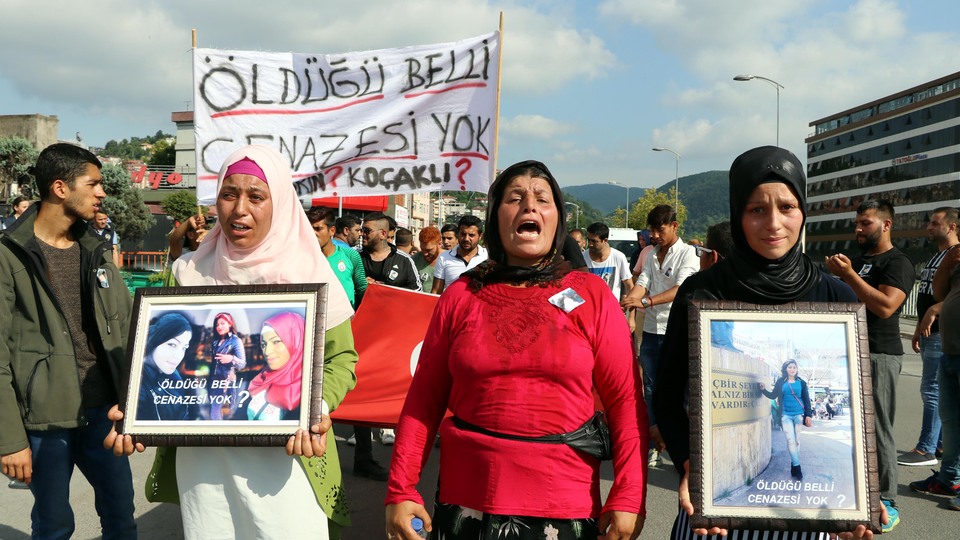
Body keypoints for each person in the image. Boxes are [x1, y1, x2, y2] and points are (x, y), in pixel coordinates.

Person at [106, 145, 359, 539]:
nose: (240, 209)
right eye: (228, 194)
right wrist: (137, 407)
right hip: (203, 461)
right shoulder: (187, 272)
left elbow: (341, 360)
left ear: (280, 203)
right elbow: (159, 353)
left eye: (256, 197)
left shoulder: (311, 274)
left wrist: (315, 406)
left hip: (286, 460)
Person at [385, 160, 647, 540]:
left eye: (542, 199)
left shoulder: (593, 297)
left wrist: (629, 494)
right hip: (466, 505)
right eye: (515, 198)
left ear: (557, 219)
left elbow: (625, 401)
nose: (529, 206)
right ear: (496, 218)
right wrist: (401, 488)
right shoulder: (461, 296)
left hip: (564, 507)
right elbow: (424, 399)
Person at [654, 146, 884, 539]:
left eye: (787, 207)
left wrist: (859, 491)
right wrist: (692, 465)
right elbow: (667, 394)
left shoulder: (835, 297)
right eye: (757, 209)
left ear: (803, 211)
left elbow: (862, 407)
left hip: (806, 517)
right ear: (737, 214)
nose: (774, 223)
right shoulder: (702, 291)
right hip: (717, 513)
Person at [0, 143, 136, 539]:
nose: (101, 193)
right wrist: (10, 440)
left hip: (106, 414)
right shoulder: (9, 256)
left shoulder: (97, 250)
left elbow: (129, 328)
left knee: (121, 518)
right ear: (60, 188)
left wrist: (136, 407)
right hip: (44, 420)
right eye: (92, 184)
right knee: (54, 525)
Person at [825, 199, 915, 531]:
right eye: (857, 223)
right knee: (849, 428)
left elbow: (887, 306)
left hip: (880, 354)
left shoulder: (897, 262)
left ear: (886, 225)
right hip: (851, 349)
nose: (858, 229)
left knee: (878, 430)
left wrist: (848, 275)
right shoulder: (858, 260)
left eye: (866, 223)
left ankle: (888, 500)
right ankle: (859, 493)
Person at [621, 205, 698, 465]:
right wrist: (628, 302)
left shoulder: (688, 254)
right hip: (652, 330)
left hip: (675, 330)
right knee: (651, 388)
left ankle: (684, 448)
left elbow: (681, 289)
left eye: (659, 230)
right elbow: (641, 284)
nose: (654, 235)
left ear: (675, 226)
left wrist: (645, 302)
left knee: (680, 391)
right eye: (651, 230)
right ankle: (656, 442)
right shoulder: (652, 253)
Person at [900, 208, 958, 466]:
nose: (929, 227)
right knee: (938, 390)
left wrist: (935, 310)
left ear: (952, 226)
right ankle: (942, 443)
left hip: (942, 331)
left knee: (931, 390)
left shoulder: (956, 255)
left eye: (935, 223)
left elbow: (954, 296)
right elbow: (926, 294)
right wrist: (918, 327)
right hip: (928, 330)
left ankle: (926, 449)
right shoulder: (939, 255)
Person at [911, 237, 960, 510]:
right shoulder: (955, 257)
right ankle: (949, 479)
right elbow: (940, 293)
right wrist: (947, 264)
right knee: (951, 422)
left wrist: (936, 308)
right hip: (950, 351)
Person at [243, 312, 307, 421]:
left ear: (296, 340)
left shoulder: (310, 388)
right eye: (264, 344)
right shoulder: (262, 379)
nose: (267, 351)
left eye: (276, 342)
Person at [758, 360, 814, 479]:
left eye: (794, 367)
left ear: (797, 369)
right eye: (790, 367)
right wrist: (763, 390)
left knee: (797, 441)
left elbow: (806, 400)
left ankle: (793, 464)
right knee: (790, 441)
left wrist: (808, 415)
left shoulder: (801, 383)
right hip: (785, 415)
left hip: (799, 415)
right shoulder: (780, 382)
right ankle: (797, 467)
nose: (792, 369)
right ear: (786, 369)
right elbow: (773, 395)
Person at [138, 312, 196, 421]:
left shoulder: (173, 375)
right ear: (156, 339)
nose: (178, 356)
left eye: (184, 348)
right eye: (172, 344)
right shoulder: (137, 383)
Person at [309, 206, 367, 309]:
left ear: (332, 230)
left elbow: (362, 289)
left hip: (345, 318)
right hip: (313, 317)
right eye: (309, 229)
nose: (313, 233)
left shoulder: (351, 255)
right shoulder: (303, 258)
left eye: (318, 229)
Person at [360, 212, 421, 291]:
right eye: (362, 230)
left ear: (383, 234)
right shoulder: (355, 257)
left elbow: (417, 289)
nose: (362, 234)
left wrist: (388, 290)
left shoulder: (404, 260)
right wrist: (361, 285)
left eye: (367, 231)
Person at [432, 215, 488, 294]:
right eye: (463, 234)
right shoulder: (444, 258)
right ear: (458, 234)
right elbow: (436, 291)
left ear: (480, 236)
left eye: (471, 235)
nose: (466, 239)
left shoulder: (488, 256)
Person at [208, 312, 246, 420]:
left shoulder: (236, 341)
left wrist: (231, 359)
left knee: (215, 411)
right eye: (217, 324)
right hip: (213, 381)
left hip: (226, 381)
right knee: (215, 410)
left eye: (222, 323)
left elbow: (242, 363)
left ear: (230, 324)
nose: (219, 327)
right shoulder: (215, 342)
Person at [584, 221, 634, 300]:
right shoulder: (583, 257)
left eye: (594, 241)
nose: (590, 244)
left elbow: (629, 285)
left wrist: (628, 304)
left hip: (611, 306)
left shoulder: (618, 257)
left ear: (605, 240)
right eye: (588, 240)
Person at [412, 226, 441, 293]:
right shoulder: (414, 260)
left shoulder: (449, 260)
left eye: (429, 250)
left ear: (439, 244)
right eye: (422, 249)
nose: (425, 254)